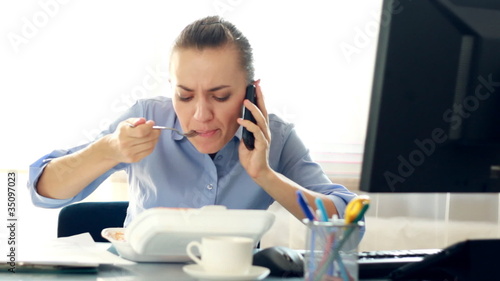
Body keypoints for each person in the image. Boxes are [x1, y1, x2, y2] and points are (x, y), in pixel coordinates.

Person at [28, 16, 362, 229]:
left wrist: (264, 174)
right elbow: (40, 190)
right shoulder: (147, 116)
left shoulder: (277, 137)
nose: (201, 115)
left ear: (251, 92)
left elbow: (348, 218)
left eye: (220, 96)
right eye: (185, 96)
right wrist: (108, 150)